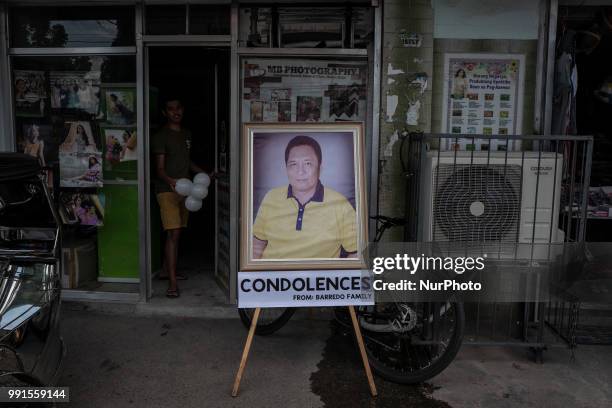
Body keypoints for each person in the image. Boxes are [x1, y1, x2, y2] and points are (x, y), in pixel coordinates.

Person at [252, 135, 357, 259]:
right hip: (272, 277)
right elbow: (257, 244)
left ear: (320, 167)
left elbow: (356, 253)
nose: (300, 171)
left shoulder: (340, 204)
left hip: (317, 278)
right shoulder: (271, 197)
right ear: (286, 169)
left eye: (308, 163)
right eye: (293, 164)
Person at [151, 97, 213, 298]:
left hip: (186, 191)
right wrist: (172, 181)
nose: (175, 112)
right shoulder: (160, 136)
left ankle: (164, 271)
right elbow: (159, 170)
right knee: (174, 233)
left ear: (183, 110)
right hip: (168, 190)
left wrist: (204, 173)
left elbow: (187, 161)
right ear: (164, 113)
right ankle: (172, 282)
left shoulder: (187, 134)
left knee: (175, 233)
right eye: (170, 109)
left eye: (178, 108)